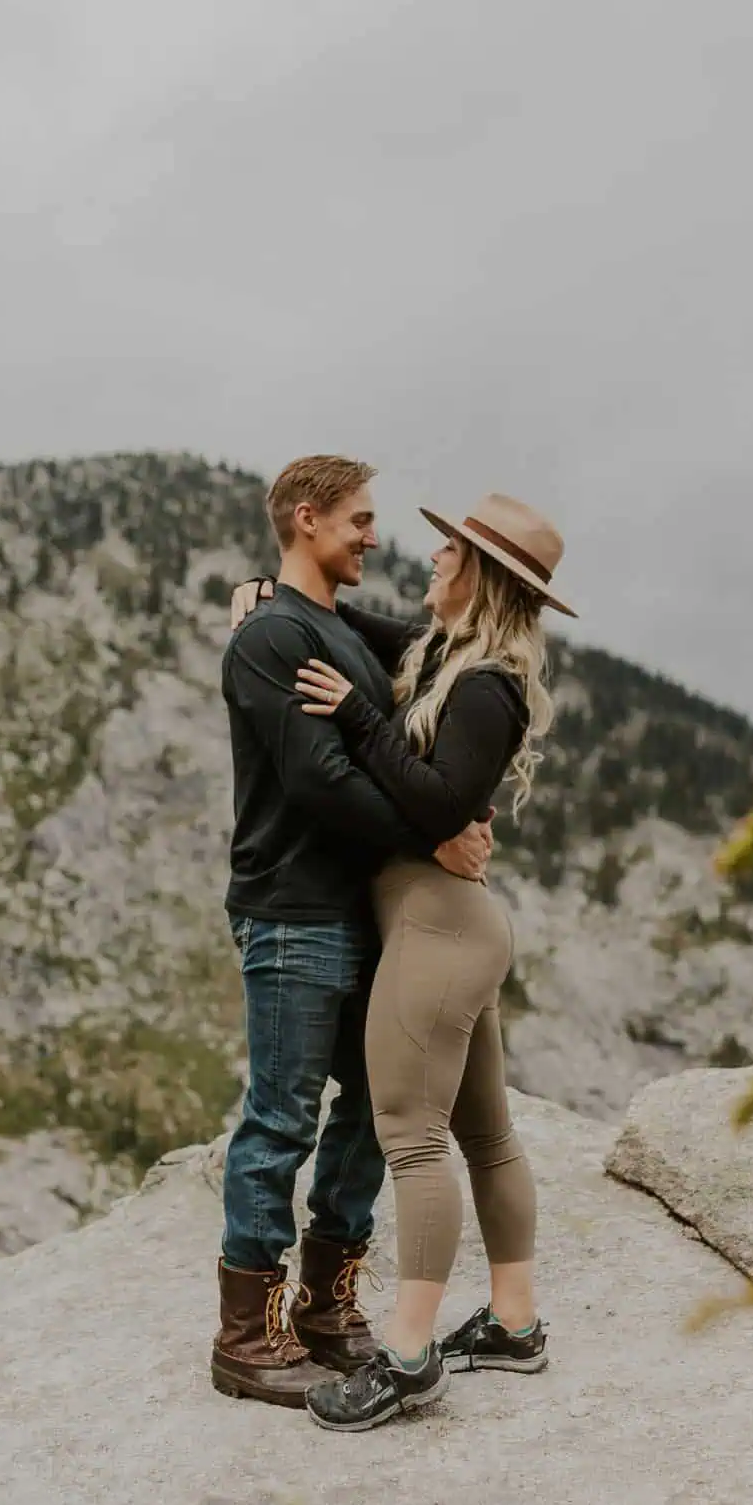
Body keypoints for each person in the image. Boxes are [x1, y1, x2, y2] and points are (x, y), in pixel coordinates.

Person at [236, 490, 574, 1433]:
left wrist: (353, 713)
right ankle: (513, 1324)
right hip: (454, 926)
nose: (429, 559)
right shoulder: (440, 655)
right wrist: (268, 592)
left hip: (438, 935)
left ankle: (409, 1355)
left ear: (482, 576)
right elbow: (345, 620)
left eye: (449, 552)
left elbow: (437, 801)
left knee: (411, 1137)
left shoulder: (486, 685)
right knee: (488, 1138)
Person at [212, 455, 494, 1408]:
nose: (375, 537)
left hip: (366, 913)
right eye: (360, 521)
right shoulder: (270, 639)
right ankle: (246, 1335)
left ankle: (327, 1306)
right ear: (306, 519)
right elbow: (318, 782)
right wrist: (435, 834)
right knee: (281, 1116)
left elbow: (434, 654)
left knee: (377, 1105)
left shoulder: (331, 627)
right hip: (292, 909)